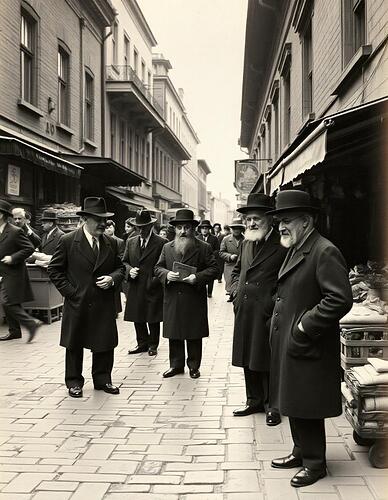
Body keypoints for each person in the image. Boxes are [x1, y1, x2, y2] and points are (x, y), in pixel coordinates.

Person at [268, 190, 353, 487]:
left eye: (286, 220)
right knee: (293, 397)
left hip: (307, 340)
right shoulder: (297, 245)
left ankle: (315, 463)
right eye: (279, 220)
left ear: (305, 221)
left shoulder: (323, 250)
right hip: (290, 340)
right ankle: (300, 451)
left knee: (306, 400)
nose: (280, 225)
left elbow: (340, 298)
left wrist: (304, 326)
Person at [48, 197, 125, 398]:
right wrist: (71, 293)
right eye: (98, 219)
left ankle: (103, 380)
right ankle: (74, 382)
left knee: (104, 342)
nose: (103, 224)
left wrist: (112, 278)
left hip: (103, 302)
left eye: (104, 219)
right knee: (74, 344)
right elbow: (55, 270)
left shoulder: (111, 243)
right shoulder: (67, 241)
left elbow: (121, 268)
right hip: (78, 302)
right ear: (85, 220)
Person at [230, 194, 287, 426]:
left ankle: (273, 406)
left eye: (256, 219)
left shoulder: (282, 244)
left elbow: (286, 278)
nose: (251, 224)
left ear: (270, 220)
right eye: (248, 219)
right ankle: (253, 400)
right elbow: (236, 272)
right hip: (244, 309)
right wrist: (234, 292)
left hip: (268, 312)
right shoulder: (245, 243)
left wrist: (273, 302)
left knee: (268, 359)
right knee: (247, 357)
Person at [155, 209, 218, 379]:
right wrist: (166, 275)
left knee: (193, 333)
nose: (183, 231)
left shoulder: (203, 247)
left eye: (187, 227)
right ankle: (176, 365)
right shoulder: (167, 247)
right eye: (179, 228)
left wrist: (196, 278)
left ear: (193, 229)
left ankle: (193, 365)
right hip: (173, 296)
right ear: (174, 229)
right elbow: (158, 268)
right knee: (174, 332)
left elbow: (214, 269)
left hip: (193, 297)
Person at [123, 209, 166, 356]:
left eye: (144, 227)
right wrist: (129, 271)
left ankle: (153, 345)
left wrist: (155, 280)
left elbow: (164, 265)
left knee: (153, 317)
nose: (141, 230)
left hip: (153, 285)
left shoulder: (161, 242)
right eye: (138, 227)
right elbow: (124, 262)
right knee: (137, 315)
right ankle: (142, 343)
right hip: (135, 285)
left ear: (151, 226)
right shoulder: (131, 242)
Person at [0, 199, 42, 342]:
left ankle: (32, 323)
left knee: (7, 302)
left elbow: (29, 248)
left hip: (14, 273)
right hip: (3, 273)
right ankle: (15, 331)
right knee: (11, 302)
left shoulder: (14, 231)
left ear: (1, 215)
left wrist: (13, 258)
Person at [219, 217, 245, 297]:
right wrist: (230, 256)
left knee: (240, 285)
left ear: (241, 229)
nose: (236, 230)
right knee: (230, 285)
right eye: (234, 228)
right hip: (230, 265)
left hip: (242, 266)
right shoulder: (226, 239)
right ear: (231, 229)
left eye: (238, 228)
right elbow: (221, 252)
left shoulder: (246, 239)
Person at [104, 220, 125, 315]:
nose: (108, 229)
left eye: (110, 227)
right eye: (106, 227)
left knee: (115, 292)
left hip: (114, 269)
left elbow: (121, 256)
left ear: (114, 228)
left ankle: (115, 310)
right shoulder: (102, 240)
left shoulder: (119, 241)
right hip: (105, 269)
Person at [196, 220, 219, 298]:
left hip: (210, 260)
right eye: (203, 228)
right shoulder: (197, 238)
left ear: (209, 229)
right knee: (200, 275)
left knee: (210, 277)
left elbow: (217, 249)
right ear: (200, 229)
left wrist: (211, 255)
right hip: (199, 261)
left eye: (206, 228)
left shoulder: (214, 238)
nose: (204, 230)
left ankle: (209, 292)